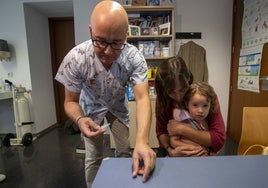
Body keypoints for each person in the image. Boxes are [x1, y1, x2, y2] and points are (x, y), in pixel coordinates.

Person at [55, 1, 156, 187]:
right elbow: (70, 101)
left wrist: (142, 141)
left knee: (125, 151)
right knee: (93, 156)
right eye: (100, 41)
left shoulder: (134, 58)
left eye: (117, 43)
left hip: (118, 108)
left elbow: (142, 99)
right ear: (91, 31)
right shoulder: (76, 58)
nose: (108, 52)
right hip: (90, 111)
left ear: (126, 35)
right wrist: (79, 120)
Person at [154, 55, 226, 157]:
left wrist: (182, 129)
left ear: (188, 79)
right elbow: (161, 132)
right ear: (164, 90)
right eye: (172, 93)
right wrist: (170, 151)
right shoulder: (163, 100)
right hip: (176, 152)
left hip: (204, 154)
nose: (178, 97)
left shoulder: (205, 96)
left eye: (182, 90)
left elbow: (219, 138)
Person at [170, 82, 218, 154]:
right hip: (185, 157)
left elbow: (213, 143)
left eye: (205, 106)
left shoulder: (208, 121)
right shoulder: (182, 120)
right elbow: (173, 141)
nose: (200, 110)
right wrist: (192, 148)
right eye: (195, 105)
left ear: (210, 105)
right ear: (187, 104)